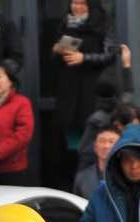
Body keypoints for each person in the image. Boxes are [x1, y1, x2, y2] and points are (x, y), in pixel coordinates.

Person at [50, 1, 111, 178]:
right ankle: (72, 181)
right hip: (68, 92)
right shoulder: (65, 24)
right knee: (70, 143)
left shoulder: (101, 24)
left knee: (91, 140)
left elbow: (110, 54)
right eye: (73, 3)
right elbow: (54, 62)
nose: (76, 7)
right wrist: (56, 51)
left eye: (81, 3)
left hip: (91, 91)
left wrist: (84, 58)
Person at [73, 127, 118, 199]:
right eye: (102, 141)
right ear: (95, 147)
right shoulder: (83, 177)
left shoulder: (130, 175)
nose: (106, 146)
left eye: (111, 141)